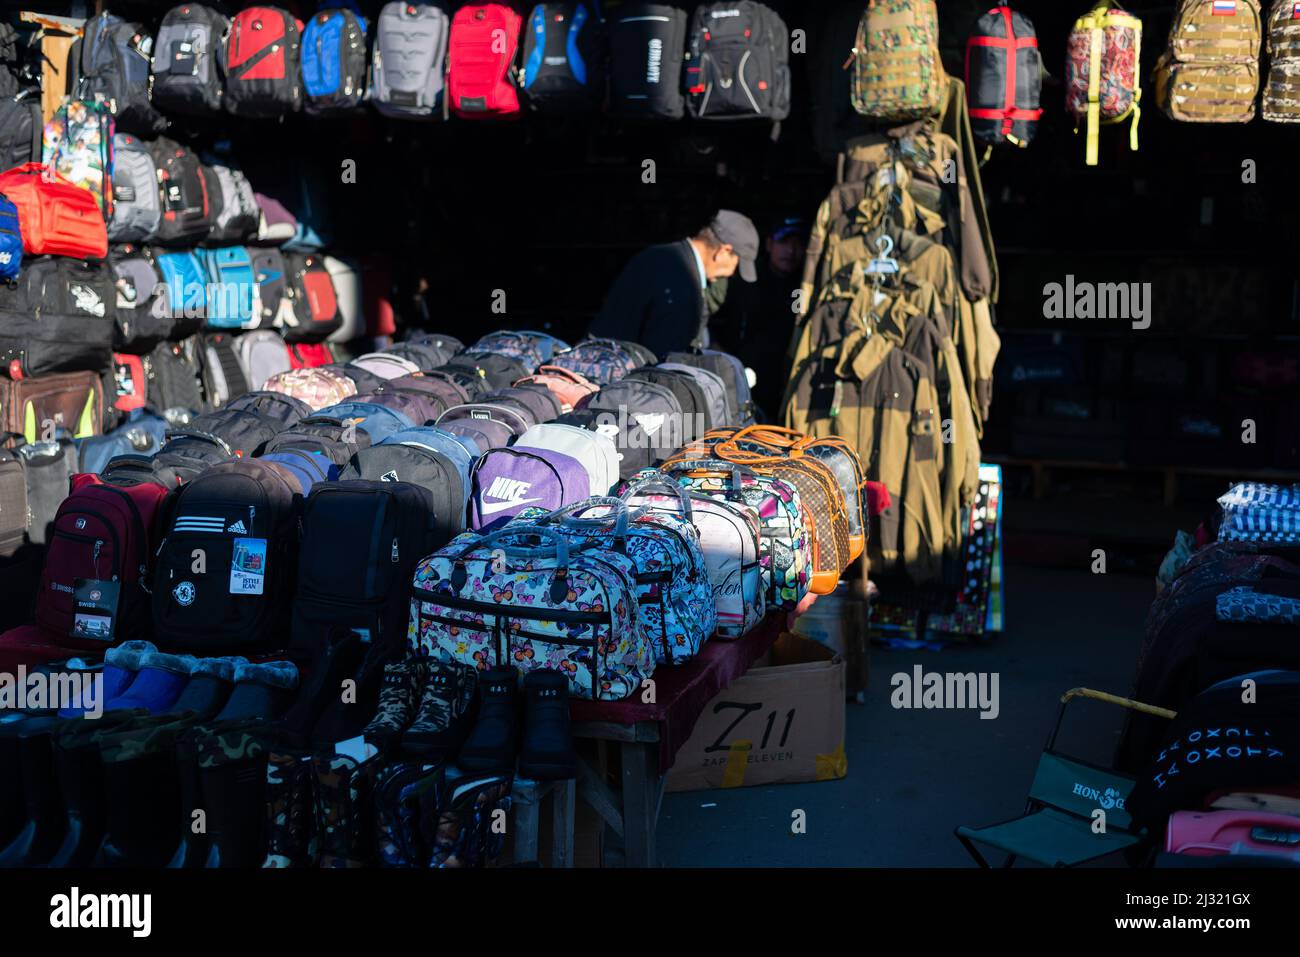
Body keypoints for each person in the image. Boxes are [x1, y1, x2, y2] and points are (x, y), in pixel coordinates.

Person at [588, 210, 759, 357]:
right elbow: (665, 361)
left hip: (599, 360)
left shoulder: (658, 256)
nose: (730, 274)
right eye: (736, 266)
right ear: (724, 251)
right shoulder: (685, 285)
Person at [710, 215, 809, 419]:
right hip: (742, 382)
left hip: (786, 387)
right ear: (769, 244)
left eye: (798, 244)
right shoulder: (744, 278)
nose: (791, 251)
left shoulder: (807, 286)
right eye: (784, 242)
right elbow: (711, 327)